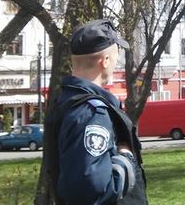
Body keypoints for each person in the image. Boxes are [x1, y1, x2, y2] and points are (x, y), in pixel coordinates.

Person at [44, 20, 147, 204]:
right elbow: (92, 190)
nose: (117, 63)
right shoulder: (90, 113)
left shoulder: (66, 101)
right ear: (105, 61)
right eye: (116, 56)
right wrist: (126, 155)